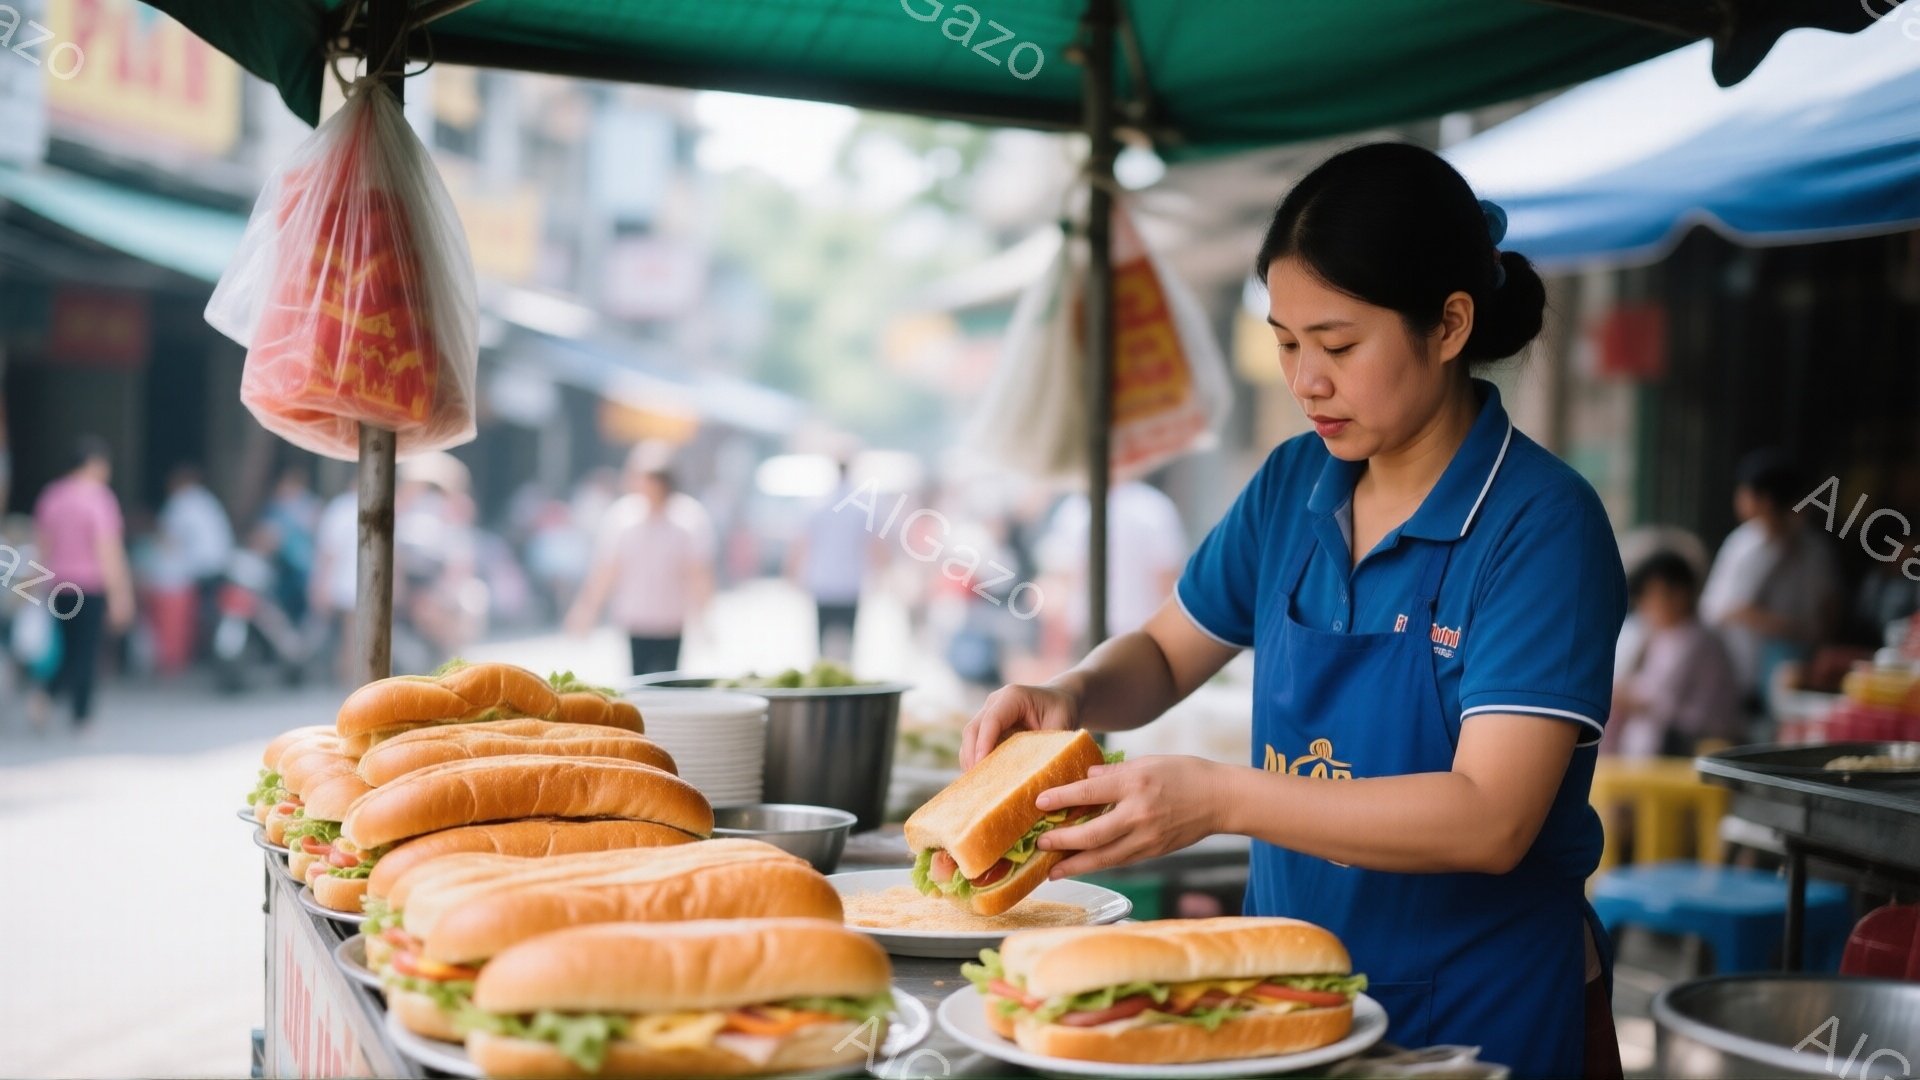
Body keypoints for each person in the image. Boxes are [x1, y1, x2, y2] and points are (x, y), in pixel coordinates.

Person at [960, 144, 1627, 1079]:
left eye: (1339, 344)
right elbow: (1163, 651)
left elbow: (1490, 818)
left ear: (1448, 326)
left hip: (1481, 1018)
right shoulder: (1291, 487)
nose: (1305, 379)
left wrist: (1220, 797)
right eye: (1285, 341)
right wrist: (1071, 696)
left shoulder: (1540, 524)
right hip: (1288, 993)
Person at [1699, 449, 1839, 700]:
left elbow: (1824, 617)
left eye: (1744, 492)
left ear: (1765, 500)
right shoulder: (1741, 544)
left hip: (1793, 678)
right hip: (1735, 678)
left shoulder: (1812, 551)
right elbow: (1714, 610)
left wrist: (1756, 618)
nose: (1738, 499)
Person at [567, 445, 716, 677]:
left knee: (668, 684)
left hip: (671, 621)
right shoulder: (622, 518)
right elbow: (606, 570)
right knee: (639, 685)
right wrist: (586, 610)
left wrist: (704, 617)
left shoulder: (687, 519)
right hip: (635, 620)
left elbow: (698, 572)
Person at [30, 436, 135, 734]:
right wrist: (120, 595)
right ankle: (81, 716)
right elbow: (108, 550)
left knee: (66, 648)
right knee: (86, 652)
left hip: (56, 586)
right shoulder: (98, 498)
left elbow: (42, 545)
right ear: (94, 464)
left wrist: (33, 585)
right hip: (88, 587)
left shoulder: (51, 496)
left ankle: (47, 696)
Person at [1606, 551, 1742, 757]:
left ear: (1679, 594)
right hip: (1668, 745)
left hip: (1691, 747)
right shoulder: (1666, 634)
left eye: (1652, 595)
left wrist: (1614, 691)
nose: (1645, 606)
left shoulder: (1696, 640)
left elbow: (1654, 699)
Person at [1038, 480, 1187, 650]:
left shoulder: (1074, 511)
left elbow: (1166, 581)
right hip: (1112, 632)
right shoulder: (1154, 507)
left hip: (1133, 633)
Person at [787, 460, 883, 662]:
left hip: (823, 581)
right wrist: (878, 575)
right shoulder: (862, 506)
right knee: (849, 643)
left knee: (822, 643)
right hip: (850, 582)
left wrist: (792, 573)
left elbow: (802, 543)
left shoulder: (819, 504)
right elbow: (873, 546)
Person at [159, 463, 235, 658]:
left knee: (199, 615)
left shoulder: (182, 502)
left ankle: (200, 653)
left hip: (199, 568)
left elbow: (169, 540)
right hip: (219, 564)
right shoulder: (207, 500)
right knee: (210, 611)